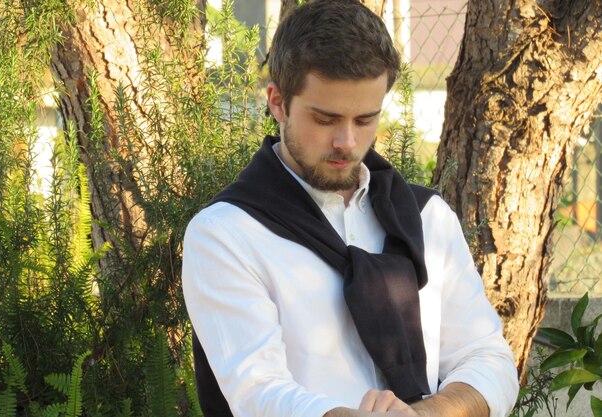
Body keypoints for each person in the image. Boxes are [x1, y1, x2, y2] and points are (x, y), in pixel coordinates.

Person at [181, 1, 519, 416]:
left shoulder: (428, 217)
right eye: (325, 119)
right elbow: (257, 392)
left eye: (365, 119)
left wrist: (426, 413)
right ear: (277, 102)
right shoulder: (227, 234)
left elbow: (489, 360)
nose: (347, 142)